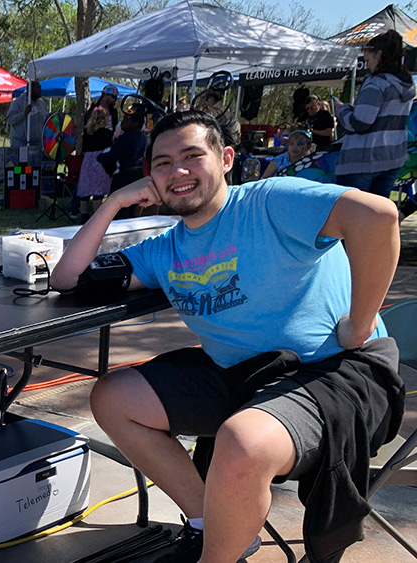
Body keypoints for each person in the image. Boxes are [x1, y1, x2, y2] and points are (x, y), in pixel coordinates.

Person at [50, 110, 402, 563]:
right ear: (150, 176)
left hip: (334, 370)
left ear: (226, 158)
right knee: (112, 396)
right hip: (245, 374)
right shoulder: (166, 249)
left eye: (192, 156)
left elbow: (378, 216)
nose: (178, 171)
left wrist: (360, 321)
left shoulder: (270, 200)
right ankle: (213, 526)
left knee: (241, 442)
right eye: (162, 163)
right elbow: (66, 279)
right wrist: (113, 202)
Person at [335, 29, 416, 199]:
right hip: (392, 158)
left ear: (378, 54)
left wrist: (341, 109)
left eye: (368, 58)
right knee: (376, 217)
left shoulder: (376, 83)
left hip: (363, 160)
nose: (367, 63)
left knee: (352, 217)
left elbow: (361, 123)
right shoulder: (406, 84)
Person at [67, 105, 113, 220]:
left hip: (87, 161)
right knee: (98, 192)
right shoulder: (107, 133)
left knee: (85, 191)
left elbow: (83, 148)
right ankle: (97, 217)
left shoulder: (87, 132)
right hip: (100, 161)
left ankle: (84, 215)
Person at [97, 111, 147, 218]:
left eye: (126, 120)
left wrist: (101, 157)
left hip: (124, 174)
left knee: (120, 205)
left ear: (135, 123)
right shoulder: (142, 137)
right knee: (134, 204)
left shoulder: (126, 138)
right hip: (138, 173)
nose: (122, 123)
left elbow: (112, 155)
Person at [7, 81, 46, 148]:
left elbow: (45, 118)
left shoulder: (41, 103)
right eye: (37, 88)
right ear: (31, 90)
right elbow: (10, 119)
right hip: (20, 142)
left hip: (37, 142)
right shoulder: (18, 103)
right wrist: (23, 114)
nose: (40, 90)